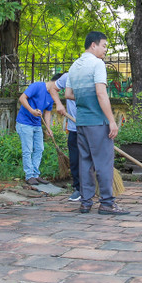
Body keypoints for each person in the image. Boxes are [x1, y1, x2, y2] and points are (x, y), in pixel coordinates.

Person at [65, 31, 129, 215]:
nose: (105, 50)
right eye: (104, 46)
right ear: (93, 45)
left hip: (81, 123)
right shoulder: (97, 64)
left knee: (85, 163)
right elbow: (101, 94)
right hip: (97, 121)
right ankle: (107, 203)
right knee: (103, 163)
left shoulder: (74, 66)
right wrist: (112, 121)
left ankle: (86, 203)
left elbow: (68, 94)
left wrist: (85, 97)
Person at [15, 76, 64, 186]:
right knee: (28, 150)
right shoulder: (37, 86)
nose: (59, 90)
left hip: (37, 124)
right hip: (24, 123)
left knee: (39, 148)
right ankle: (29, 176)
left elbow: (47, 112)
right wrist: (32, 111)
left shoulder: (52, 95)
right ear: (56, 82)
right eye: (60, 87)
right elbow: (22, 98)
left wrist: (48, 128)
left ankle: (35, 174)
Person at [53, 73, 81, 201]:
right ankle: (78, 188)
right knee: (75, 159)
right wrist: (59, 104)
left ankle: (95, 187)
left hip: (91, 126)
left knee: (93, 158)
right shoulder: (69, 76)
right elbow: (52, 88)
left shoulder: (94, 74)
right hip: (74, 127)